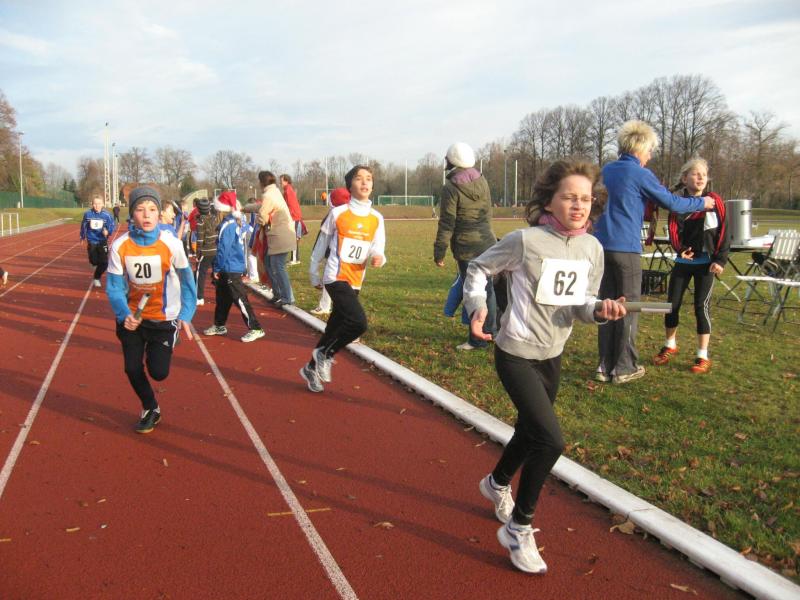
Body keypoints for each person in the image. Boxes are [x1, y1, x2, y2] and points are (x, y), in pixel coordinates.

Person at [463, 160, 626, 574]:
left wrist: (600, 311)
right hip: (516, 353)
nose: (579, 205)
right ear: (550, 201)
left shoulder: (593, 249)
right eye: (570, 197)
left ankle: (496, 483)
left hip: (552, 355)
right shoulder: (525, 241)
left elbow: (582, 303)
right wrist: (478, 305)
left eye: (585, 199)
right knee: (550, 440)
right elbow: (479, 267)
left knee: (530, 430)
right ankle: (519, 528)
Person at [593, 120, 715, 384]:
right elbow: (673, 203)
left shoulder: (607, 170)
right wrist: (702, 202)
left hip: (600, 246)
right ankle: (624, 367)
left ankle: (604, 365)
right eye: (649, 150)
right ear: (640, 148)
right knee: (628, 307)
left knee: (607, 306)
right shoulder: (640, 173)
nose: (649, 156)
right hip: (626, 248)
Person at [105, 186, 197, 434]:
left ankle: (170, 338)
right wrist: (124, 314)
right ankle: (150, 407)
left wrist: (186, 314)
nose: (146, 215)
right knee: (132, 368)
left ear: (159, 214)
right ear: (132, 214)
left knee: (159, 373)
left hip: (163, 318)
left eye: (152, 209)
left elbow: (188, 282)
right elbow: (114, 287)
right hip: (132, 318)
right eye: (140, 209)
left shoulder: (172, 244)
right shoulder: (120, 246)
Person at [300, 165, 386, 392]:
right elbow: (321, 245)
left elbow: (378, 248)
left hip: (356, 279)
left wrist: (379, 258)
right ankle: (325, 354)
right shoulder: (338, 213)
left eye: (369, 179)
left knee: (334, 328)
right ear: (350, 185)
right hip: (335, 276)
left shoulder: (377, 218)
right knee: (358, 323)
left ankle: (310, 368)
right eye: (359, 179)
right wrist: (313, 273)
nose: (365, 182)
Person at [654, 158, 728, 374]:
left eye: (704, 174)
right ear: (685, 178)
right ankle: (670, 345)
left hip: (706, 264)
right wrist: (680, 250)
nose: (701, 177)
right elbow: (673, 229)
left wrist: (720, 260)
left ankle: (702, 356)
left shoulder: (714, 201)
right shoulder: (678, 202)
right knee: (672, 304)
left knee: (700, 307)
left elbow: (724, 230)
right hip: (683, 262)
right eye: (696, 174)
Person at [433, 142, 497, 350]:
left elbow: (447, 223)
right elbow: (488, 213)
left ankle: (477, 339)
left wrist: (439, 251)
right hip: (487, 243)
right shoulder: (482, 181)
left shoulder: (451, 188)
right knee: (488, 289)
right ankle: (491, 332)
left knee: (473, 291)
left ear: (452, 161)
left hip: (466, 247)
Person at [203, 190, 265, 343]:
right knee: (222, 299)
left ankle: (256, 328)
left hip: (230, 267)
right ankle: (219, 325)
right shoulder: (234, 222)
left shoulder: (228, 225)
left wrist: (217, 268)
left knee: (240, 299)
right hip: (229, 266)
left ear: (221, 210)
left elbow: (224, 248)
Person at [247, 171, 295, 306]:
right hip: (281, 235)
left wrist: (259, 219)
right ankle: (278, 293)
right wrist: (244, 208)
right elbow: (261, 206)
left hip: (280, 236)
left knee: (278, 266)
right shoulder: (274, 192)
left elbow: (262, 216)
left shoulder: (268, 195)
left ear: (261, 182)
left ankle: (287, 297)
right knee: (268, 263)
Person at [309, 187, 350, 317]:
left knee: (330, 279)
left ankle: (326, 306)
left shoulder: (334, 214)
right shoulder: (352, 213)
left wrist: (314, 273)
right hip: (349, 258)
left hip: (334, 254)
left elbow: (323, 240)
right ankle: (337, 308)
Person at [80, 195, 116, 288]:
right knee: (94, 261)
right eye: (95, 204)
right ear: (92, 204)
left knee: (104, 263)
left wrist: (108, 231)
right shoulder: (88, 214)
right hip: (92, 240)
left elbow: (112, 225)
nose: (97, 206)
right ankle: (93, 263)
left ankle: (97, 278)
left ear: (103, 204)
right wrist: (82, 237)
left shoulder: (107, 215)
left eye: (99, 203)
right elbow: (84, 226)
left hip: (102, 240)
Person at [194, 197, 217, 306]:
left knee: (200, 273)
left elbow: (200, 239)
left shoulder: (200, 221)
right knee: (216, 273)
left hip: (205, 251)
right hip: (215, 249)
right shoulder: (214, 218)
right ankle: (220, 296)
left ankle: (199, 297)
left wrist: (198, 253)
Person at [280, 174, 305, 265]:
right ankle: (295, 258)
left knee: (293, 238)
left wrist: (288, 217)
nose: (280, 183)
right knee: (293, 238)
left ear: (286, 181)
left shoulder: (288, 190)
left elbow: (290, 205)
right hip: (294, 216)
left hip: (294, 216)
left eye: (281, 181)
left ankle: (294, 259)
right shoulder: (288, 189)